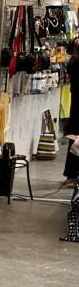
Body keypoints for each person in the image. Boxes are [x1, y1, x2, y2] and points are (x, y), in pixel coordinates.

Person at [63, 39, 79, 185]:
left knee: (74, 136)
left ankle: (72, 175)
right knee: (74, 136)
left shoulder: (75, 61)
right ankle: (72, 175)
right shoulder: (75, 61)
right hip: (76, 106)